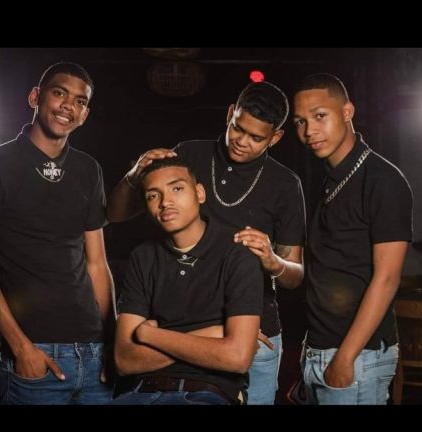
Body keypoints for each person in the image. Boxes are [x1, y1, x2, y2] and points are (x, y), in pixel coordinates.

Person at [107, 81, 306, 404]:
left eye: (256, 138)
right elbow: (115, 215)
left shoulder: (284, 184)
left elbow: (295, 275)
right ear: (230, 114)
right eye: (237, 128)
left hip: (254, 329)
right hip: (179, 320)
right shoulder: (190, 154)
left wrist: (273, 261)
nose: (242, 141)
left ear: (276, 137)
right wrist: (134, 175)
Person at [0, 62, 115, 405]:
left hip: (94, 355)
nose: (68, 106)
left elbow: (96, 264)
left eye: (79, 101)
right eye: (59, 93)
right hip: (34, 353)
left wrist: (111, 341)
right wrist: (21, 348)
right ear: (35, 97)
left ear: (85, 115)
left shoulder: (89, 169)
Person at [291, 72, 413, 405]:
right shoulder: (327, 180)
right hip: (318, 350)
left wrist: (345, 358)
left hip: (357, 357)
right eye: (300, 121)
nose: (309, 131)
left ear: (347, 112)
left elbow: (387, 279)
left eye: (320, 116)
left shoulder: (383, 180)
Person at [112, 157, 263, 405]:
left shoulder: (237, 253)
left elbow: (237, 358)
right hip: (141, 392)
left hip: (207, 392)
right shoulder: (143, 256)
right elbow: (124, 360)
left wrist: (149, 335)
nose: (165, 202)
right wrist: (212, 334)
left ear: (199, 193)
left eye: (177, 188)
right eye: (153, 195)